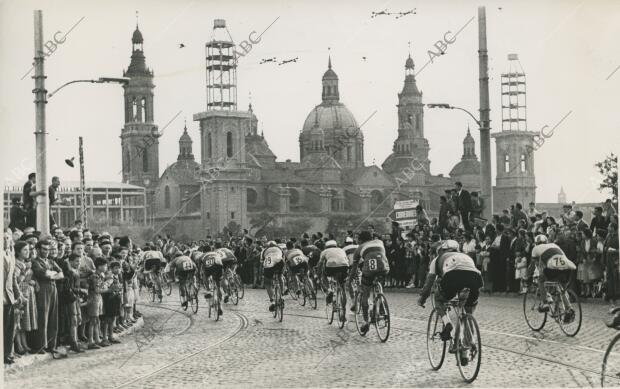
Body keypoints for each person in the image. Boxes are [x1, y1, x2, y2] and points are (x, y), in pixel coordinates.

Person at [417, 240, 483, 365]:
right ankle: (466, 351)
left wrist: (422, 298)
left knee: (439, 300)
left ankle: (447, 323)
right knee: (467, 313)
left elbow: (429, 283)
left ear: (441, 250)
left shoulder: (437, 259)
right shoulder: (465, 256)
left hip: (453, 276)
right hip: (475, 278)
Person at [350, 231, 390, 335]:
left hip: (369, 271)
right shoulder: (379, 242)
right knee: (379, 283)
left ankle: (365, 321)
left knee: (365, 294)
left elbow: (354, 269)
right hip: (384, 269)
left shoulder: (359, 248)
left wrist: (350, 280)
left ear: (361, 240)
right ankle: (380, 303)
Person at [530, 234, 576, 319]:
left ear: (536, 243)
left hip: (554, 268)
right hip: (568, 267)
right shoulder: (554, 245)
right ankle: (569, 308)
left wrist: (528, 275)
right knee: (562, 289)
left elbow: (534, 264)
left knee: (541, 280)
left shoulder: (535, 249)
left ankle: (545, 303)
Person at [4, 230, 24, 364]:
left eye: (8, 238)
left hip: (9, 296)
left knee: (10, 328)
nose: (6, 241)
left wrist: (18, 294)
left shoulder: (10, 255)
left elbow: (13, 278)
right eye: (3, 238)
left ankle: (7, 354)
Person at [319, 240, 349, 311]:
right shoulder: (341, 250)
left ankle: (329, 290)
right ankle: (344, 311)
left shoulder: (325, 251)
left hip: (331, 267)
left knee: (324, 275)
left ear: (326, 246)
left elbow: (320, 264)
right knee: (342, 288)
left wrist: (319, 274)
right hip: (344, 267)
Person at [261, 241, 286, 312]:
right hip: (279, 262)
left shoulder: (264, 250)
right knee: (280, 276)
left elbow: (262, 261)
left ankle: (272, 301)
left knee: (268, 284)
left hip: (269, 265)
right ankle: (282, 294)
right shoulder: (279, 248)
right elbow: (283, 259)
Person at [200, 248, 225, 316]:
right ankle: (220, 306)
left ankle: (208, 289)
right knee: (218, 285)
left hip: (208, 266)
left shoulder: (203, 255)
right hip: (218, 265)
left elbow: (200, 267)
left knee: (204, 275)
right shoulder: (215, 253)